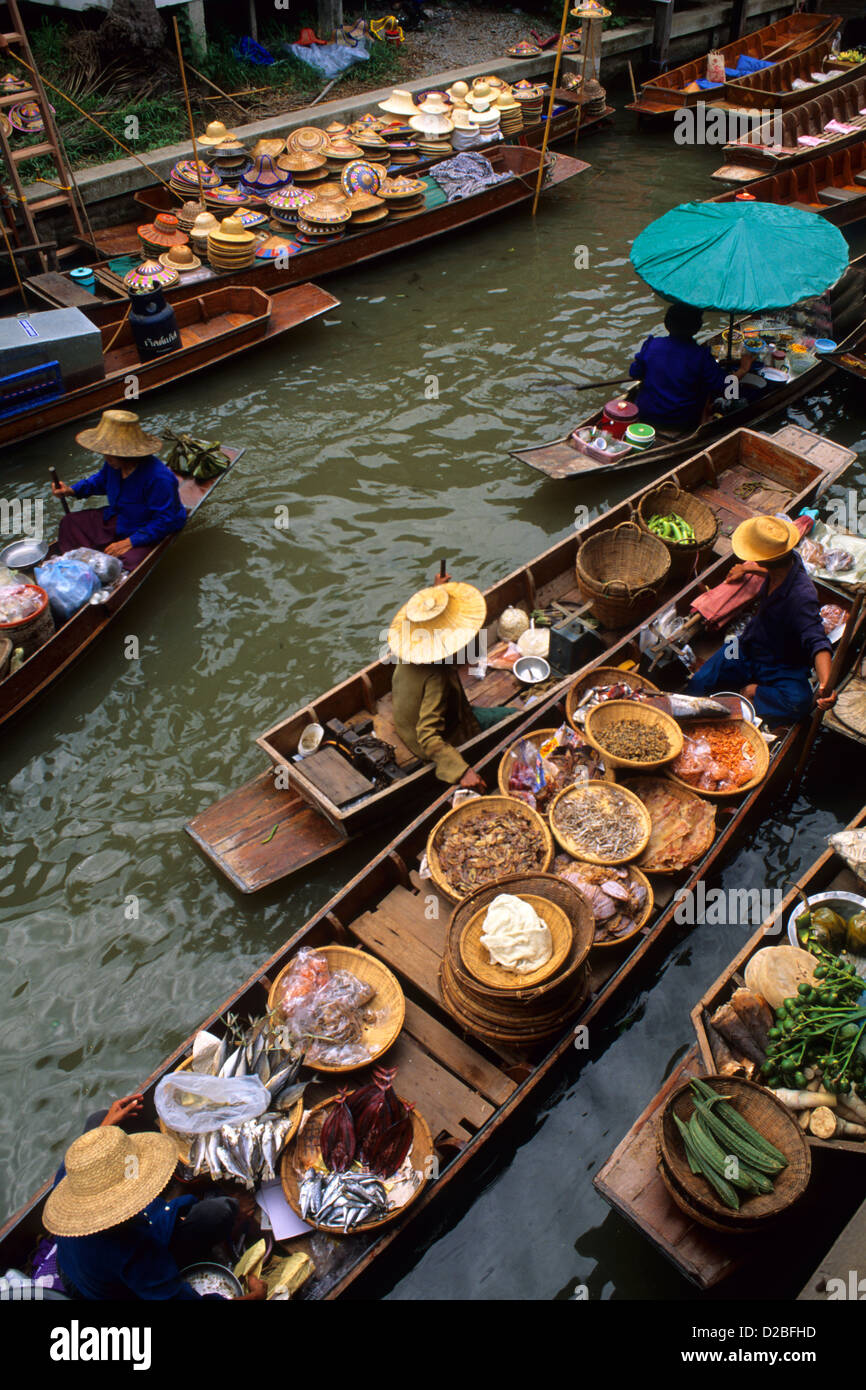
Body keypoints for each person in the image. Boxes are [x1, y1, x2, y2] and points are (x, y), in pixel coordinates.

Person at [42, 1097, 266, 1302]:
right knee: (222, 1211)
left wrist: (107, 1124)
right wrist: (255, 1297)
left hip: (74, 1269)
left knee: (97, 1120)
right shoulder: (136, 1254)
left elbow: (93, 1152)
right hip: (117, 1292)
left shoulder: (72, 1178)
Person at [688, 515, 838, 724]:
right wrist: (747, 568)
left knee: (799, 703)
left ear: (766, 558)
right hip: (747, 645)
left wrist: (825, 685)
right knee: (700, 683)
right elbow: (769, 571)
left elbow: (817, 641)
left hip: (781, 662)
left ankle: (753, 691)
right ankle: (739, 688)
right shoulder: (786, 563)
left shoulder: (802, 596)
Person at [389, 574, 514, 791]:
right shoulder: (437, 677)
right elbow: (428, 736)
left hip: (405, 723)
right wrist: (462, 771)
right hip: (428, 737)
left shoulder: (410, 647)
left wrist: (439, 592)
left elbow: (427, 618)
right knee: (513, 716)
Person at [51, 409, 186, 573]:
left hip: (145, 527)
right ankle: (79, 565)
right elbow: (100, 481)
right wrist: (71, 491)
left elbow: (167, 520)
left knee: (127, 563)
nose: (106, 458)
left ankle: (105, 572)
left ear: (126, 454)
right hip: (120, 517)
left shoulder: (159, 478)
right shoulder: (113, 465)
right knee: (70, 522)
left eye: (111, 455)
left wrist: (130, 542)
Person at [628, 302, 753, 431]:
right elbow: (725, 386)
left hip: (645, 413)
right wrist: (743, 370)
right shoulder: (700, 356)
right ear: (698, 327)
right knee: (712, 390)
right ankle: (703, 423)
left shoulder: (651, 344)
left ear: (666, 323)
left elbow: (634, 372)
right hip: (682, 421)